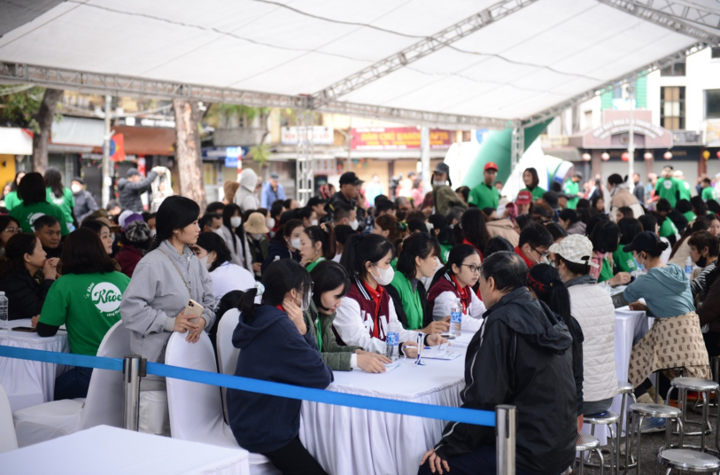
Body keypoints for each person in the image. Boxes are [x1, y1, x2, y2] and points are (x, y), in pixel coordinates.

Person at [420, 251, 576, 475]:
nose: (479, 287)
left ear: (491, 283)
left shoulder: (500, 321)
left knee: (431, 467)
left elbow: (483, 398)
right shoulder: (544, 311)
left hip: (526, 453)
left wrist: (447, 446)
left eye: (481, 280)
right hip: (561, 446)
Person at [120, 196, 215, 436]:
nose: (198, 228)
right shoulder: (151, 263)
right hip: (155, 371)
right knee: (151, 440)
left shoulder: (193, 260)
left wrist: (204, 320)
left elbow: (211, 302)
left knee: (179, 439)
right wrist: (170, 322)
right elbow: (130, 310)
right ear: (175, 228)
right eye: (193, 223)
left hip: (187, 368)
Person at [227, 259, 331, 475]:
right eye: (305, 289)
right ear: (293, 293)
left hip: (250, 416)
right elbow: (321, 375)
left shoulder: (261, 314)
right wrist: (303, 330)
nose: (307, 295)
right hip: (267, 428)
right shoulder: (281, 328)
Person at [36, 229, 130, 400]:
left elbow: (46, 330)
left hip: (89, 374)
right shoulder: (123, 279)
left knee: (43, 390)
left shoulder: (65, 284)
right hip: (127, 372)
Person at [621, 231, 710, 406]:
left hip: (671, 339)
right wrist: (648, 307)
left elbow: (623, 297)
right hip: (692, 342)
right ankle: (657, 404)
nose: (634, 256)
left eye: (634, 253)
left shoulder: (646, 280)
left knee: (629, 364)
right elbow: (676, 306)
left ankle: (653, 410)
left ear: (643, 254)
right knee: (640, 360)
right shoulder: (676, 270)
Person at [335, 234, 444, 354]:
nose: (390, 268)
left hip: (381, 363)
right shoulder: (348, 297)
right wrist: (398, 348)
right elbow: (358, 341)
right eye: (386, 263)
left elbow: (396, 330)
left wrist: (425, 338)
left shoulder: (383, 295)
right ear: (369, 266)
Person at [551, 235, 617, 415]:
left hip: (578, 398)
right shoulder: (604, 295)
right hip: (605, 394)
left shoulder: (564, 299)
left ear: (562, 265)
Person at [526, 263, 584, 431]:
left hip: (546, 421)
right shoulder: (572, 324)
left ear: (530, 292)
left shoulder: (533, 328)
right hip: (574, 414)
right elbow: (578, 376)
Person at [305, 261, 392, 372]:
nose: (339, 304)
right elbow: (308, 358)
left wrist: (358, 352)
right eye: (336, 297)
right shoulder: (301, 314)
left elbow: (330, 348)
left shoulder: (324, 313)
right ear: (318, 289)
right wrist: (355, 360)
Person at [386, 233, 449, 333]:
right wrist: (424, 331)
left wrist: (438, 325)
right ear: (419, 260)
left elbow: (423, 325)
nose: (437, 263)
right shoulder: (393, 283)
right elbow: (394, 331)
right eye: (434, 258)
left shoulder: (419, 286)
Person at [0, 233, 58, 320]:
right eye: (41, 249)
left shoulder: (37, 275)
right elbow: (39, 310)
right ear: (27, 257)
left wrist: (59, 274)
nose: (45, 253)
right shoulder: (12, 282)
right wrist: (49, 278)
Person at [427, 244, 486, 324]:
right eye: (472, 267)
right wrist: (488, 324)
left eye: (479, 268)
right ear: (455, 268)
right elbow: (458, 322)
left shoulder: (466, 288)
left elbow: (481, 312)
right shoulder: (444, 292)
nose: (477, 273)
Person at [193, 232, 255, 305]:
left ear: (213, 254)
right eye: (192, 254)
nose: (194, 258)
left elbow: (198, 305)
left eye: (197, 253)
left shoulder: (211, 277)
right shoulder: (243, 270)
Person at [10, 172, 69, 236]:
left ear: (21, 190)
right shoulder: (55, 210)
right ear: (43, 189)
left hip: (24, 246)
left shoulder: (16, 211)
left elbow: (11, 236)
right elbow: (64, 235)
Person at [589, 219, 631, 286]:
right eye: (618, 235)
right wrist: (612, 281)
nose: (619, 239)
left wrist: (618, 281)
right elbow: (590, 289)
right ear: (610, 238)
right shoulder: (593, 260)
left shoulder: (607, 254)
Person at [217, 203, 252, 272]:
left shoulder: (241, 234)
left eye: (238, 215)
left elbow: (247, 255)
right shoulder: (221, 233)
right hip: (230, 271)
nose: (236, 218)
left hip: (244, 271)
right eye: (233, 215)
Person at [688, 231, 720, 303]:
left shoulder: (710, 270)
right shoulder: (715, 265)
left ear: (705, 250)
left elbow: (689, 290)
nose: (690, 252)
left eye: (693, 249)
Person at [44, 167, 76, 231]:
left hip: (49, 225)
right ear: (60, 178)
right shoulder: (68, 191)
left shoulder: (43, 192)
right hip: (67, 224)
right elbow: (72, 211)